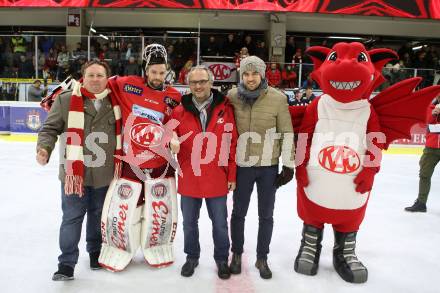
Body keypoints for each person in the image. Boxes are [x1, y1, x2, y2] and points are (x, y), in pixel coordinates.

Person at [99, 43, 182, 271]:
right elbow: (96, 84)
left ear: (167, 71)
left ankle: (158, 247)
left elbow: (175, 123)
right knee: (123, 211)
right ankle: (117, 248)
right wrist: (65, 96)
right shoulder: (127, 85)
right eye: (153, 71)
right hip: (130, 164)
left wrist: (174, 137)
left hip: (160, 165)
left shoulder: (174, 96)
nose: (157, 76)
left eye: (161, 72)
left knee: (159, 213)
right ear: (146, 69)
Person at [37, 60, 118, 281]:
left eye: (100, 75)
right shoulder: (65, 100)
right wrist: (44, 148)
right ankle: (66, 263)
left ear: (107, 77)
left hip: (104, 174)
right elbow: (49, 128)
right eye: (90, 75)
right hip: (74, 174)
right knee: (72, 217)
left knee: (97, 215)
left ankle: (95, 252)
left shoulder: (116, 101)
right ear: (83, 77)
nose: (95, 80)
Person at [227, 56, 295, 279]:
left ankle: (262, 257)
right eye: (246, 74)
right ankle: (236, 254)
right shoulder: (232, 96)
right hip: (242, 166)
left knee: (266, 215)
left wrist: (288, 164)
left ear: (263, 74)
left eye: (254, 73)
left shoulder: (278, 99)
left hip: (268, 166)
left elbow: (286, 132)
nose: (250, 78)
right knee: (238, 213)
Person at [171, 65, 238, 279]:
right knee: (189, 224)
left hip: (216, 176)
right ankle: (192, 257)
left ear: (211, 83)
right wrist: (170, 139)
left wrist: (232, 175)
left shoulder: (225, 109)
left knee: (219, 224)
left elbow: (233, 144)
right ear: (188, 85)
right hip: (189, 176)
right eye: (193, 82)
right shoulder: (179, 110)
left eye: (202, 81)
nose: (198, 86)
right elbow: (166, 135)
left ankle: (221, 259)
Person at [405, 94, 440, 212]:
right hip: (431, 148)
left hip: (432, 146)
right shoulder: (430, 107)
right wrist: (434, 114)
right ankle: (421, 203)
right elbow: (428, 122)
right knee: (424, 174)